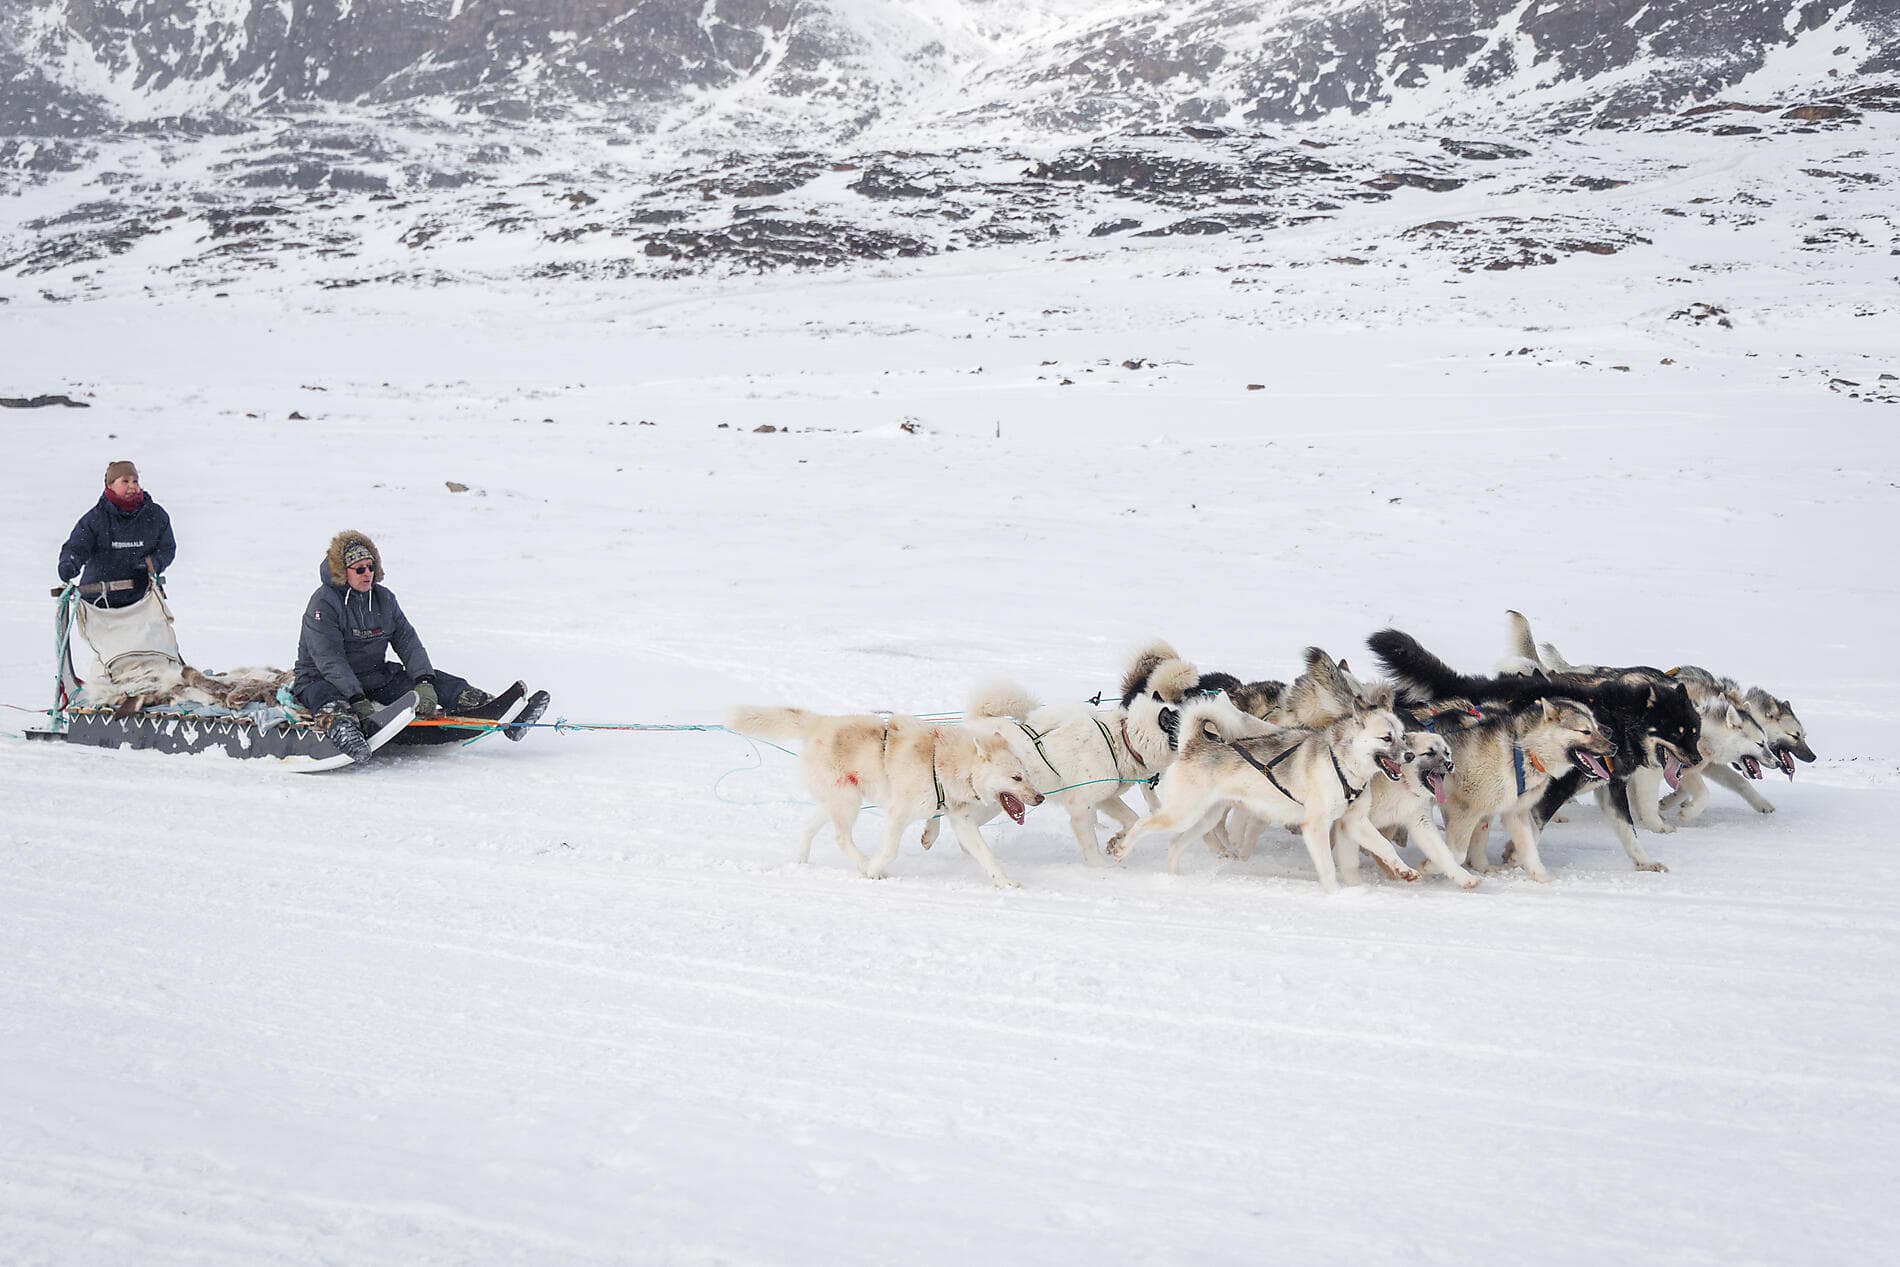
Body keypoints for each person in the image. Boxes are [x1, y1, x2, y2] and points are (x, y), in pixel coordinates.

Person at [292, 530, 536, 759]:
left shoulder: (383, 598)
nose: (367, 573)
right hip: (320, 679)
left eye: (371, 567)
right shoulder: (323, 603)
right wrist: (356, 698)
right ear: (343, 572)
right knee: (329, 699)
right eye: (359, 569)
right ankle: (345, 732)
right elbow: (329, 659)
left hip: (373, 677)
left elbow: (408, 641)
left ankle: (500, 713)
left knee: (442, 683)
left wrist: (425, 681)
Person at [57, 460, 177, 607]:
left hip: (142, 601)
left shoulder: (155, 516)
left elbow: (167, 549)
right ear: (110, 485)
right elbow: (77, 546)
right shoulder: (95, 519)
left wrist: (149, 565)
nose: (132, 486)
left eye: (135, 481)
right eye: (125, 481)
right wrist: (69, 563)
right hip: (98, 601)